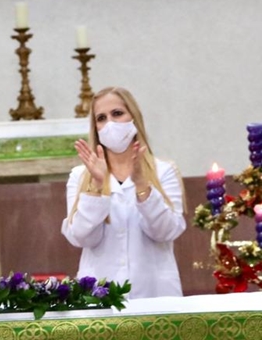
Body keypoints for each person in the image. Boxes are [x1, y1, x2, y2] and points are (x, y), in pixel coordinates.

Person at [61, 87, 185, 298]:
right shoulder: (81, 176)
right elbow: (81, 237)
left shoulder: (164, 171)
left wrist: (143, 187)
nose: (110, 123)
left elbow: (166, 232)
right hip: (100, 295)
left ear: (133, 117)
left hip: (154, 294)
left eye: (117, 113)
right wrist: (96, 188)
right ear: (95, 127)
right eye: (101, 118)